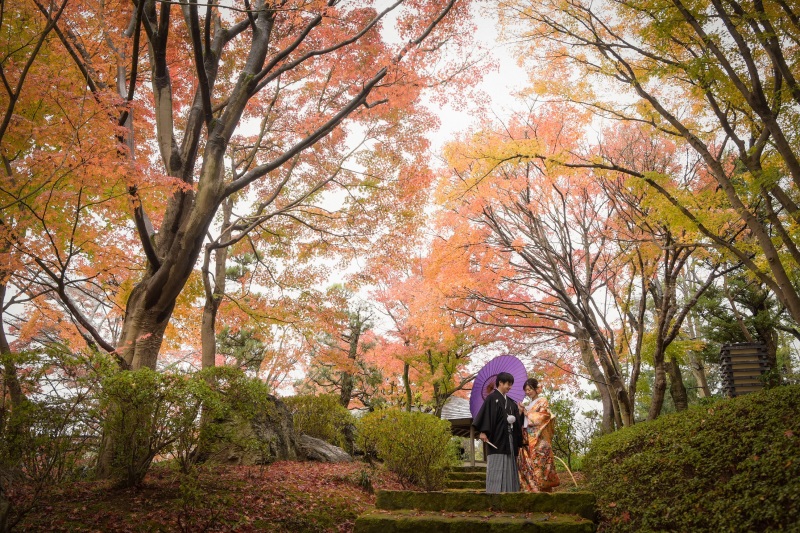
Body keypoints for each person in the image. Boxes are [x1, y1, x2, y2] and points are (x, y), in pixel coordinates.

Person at [472, 371, 523, 493]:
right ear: (500, 382)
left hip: (510, 439)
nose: (510, 387)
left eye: (511, 384)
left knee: (511, 464)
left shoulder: (511, 402)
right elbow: (485, 415)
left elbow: (517, 421)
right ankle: (494, 493)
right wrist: (483, 432)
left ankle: (511, 492)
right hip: (497, 437)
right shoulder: (491, 398)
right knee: (497, 463)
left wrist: (520, 413)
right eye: (508, 384)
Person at [517, 377, 560, 492]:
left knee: (541, 463)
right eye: (526, 390)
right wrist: (521, 411)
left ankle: (543, 489)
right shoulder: (528, 405)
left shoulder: (542, 401)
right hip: (528, 438)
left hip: (539, 438)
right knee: (528, 463)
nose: (528, 392)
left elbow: (545, 416)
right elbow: (524, 421)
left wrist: (527, 413)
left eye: (530, 389)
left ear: (536, 389)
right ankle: (532, 489)